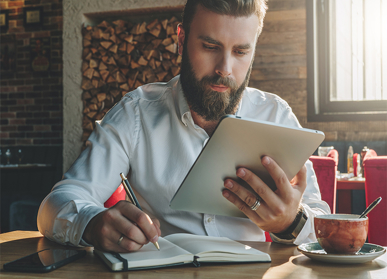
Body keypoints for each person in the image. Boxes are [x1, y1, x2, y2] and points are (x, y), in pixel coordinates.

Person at [37, 0, 330, 253]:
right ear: (181, 39)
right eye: (210, 46)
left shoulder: (274, 114)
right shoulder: (136, 113)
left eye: (241, 52)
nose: (225, 69)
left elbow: (323, 224)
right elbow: (56, 205)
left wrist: (291, 222)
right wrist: (90, 224)